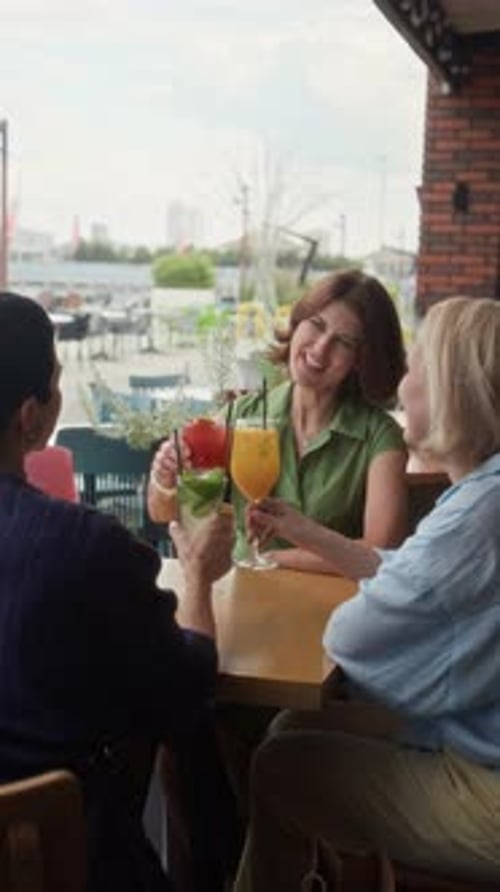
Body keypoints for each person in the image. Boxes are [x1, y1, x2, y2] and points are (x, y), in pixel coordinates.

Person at [236, 295, 500, 890]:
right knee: (291, 729)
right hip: (477, 734)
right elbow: (408, 568)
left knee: (279, 768)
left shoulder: (474, 518)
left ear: (455, 391)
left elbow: (352, 642)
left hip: (486, 783)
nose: (402, 388)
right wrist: (308, 533)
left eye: (415, 372)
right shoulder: (484, 492)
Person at [0, 291, 235, 892]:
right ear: (33, 415)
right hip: (53, 857)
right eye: (56, 383)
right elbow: (187, 682)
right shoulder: (83, 546)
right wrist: (201, 580)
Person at [148, 269, 408, 572]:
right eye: (317, 325)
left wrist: (274, 559)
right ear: (297, 324)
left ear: (361, 360)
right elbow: (167, 513)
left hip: (334, 607)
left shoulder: (380, 437)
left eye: (344, 342)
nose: (320, 349)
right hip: (245, 596)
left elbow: (382, 553)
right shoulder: (241, 417)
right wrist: (164, 480)